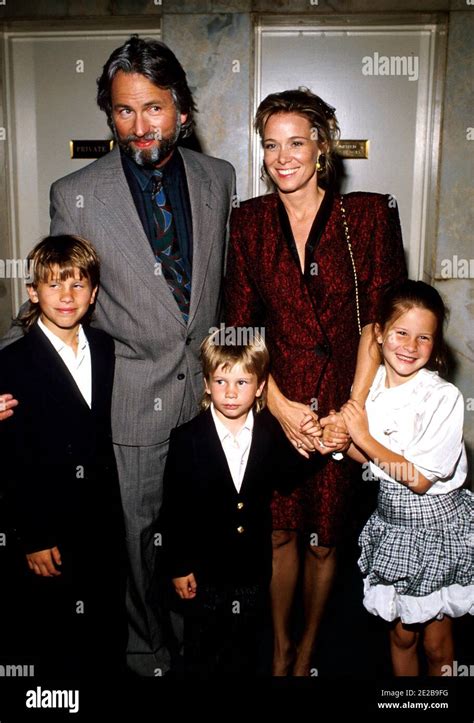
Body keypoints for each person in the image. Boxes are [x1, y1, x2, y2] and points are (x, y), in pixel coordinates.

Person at [0, 35, 235, 676]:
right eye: (124, 111)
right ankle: (146, 656)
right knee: (137, 548)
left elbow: (225, 287)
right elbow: (60, 291)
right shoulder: (75, 192)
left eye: (154, 108)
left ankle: (197, 650)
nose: (139, 126)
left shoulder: (220, 177)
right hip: (130, 403)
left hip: (210, 404)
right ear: (109, 113)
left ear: (182, 109)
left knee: (199, 540)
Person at [224, 88, 408, 676]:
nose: (283, 157)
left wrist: (351, 411)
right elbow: (239, 327)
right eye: (271, 145)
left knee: (325, 539)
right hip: (277, 399)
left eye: (296, 143)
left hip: (343, 397)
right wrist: (275, 405)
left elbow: (382, 321)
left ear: (322, 147)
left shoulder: (369, 216)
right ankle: (280, 647)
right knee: (279, 534)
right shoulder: (248, 221)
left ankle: (308, 650)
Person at [158, 328, 326, 676]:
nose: (231, 393)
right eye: (221, 382)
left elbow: (289, 475)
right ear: (206, 383)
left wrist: (324, 445)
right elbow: (174, 511)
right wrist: (178, 566)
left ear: (261, 386)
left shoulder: (269, 433)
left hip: (252, 570)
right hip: (203, 574)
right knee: (203, 652)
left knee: (246, 651)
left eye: (242, 382)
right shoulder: (186, 439)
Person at [0, 235, 126, 678]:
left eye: (77, 284)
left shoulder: (106, 348)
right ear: (32, 292)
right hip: (48, 526)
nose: (66, 296)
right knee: (53, 637)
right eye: (53, 285)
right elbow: (12, 461)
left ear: (94, 293)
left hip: (101, 520)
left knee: (104, 627)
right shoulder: (11, 363)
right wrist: (33, 535)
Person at [341, 280, 473, 676]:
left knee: (435, 644)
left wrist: (360, 434)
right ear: (380, 333)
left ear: (436, 344)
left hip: (436, 529)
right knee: (401, 636)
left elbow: (417, 479)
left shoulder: (442, 398)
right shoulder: (373, 387)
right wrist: (334, 439)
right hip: (394, 525)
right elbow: (369, 460)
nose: (410, 347)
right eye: (400, 333)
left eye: (424, 337)